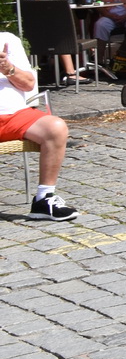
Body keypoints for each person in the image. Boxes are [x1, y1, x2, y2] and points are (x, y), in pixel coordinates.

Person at [0, 31, 76, 221]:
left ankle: (44, 199)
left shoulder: (8, 40)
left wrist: (8, 68)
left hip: (15, 115)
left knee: (55, 127)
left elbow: (28, 84)